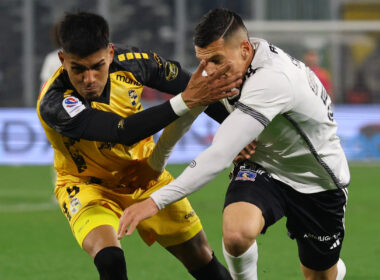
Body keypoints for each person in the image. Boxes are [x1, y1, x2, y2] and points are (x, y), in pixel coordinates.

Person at [118, 8, 350, 280]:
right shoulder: (228, 65)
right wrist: (155, 165)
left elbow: (218, 154)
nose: (210, 71)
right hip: (264, 165)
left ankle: (334, 271)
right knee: (237, 235)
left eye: (216, 60)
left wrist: (154, 202)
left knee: (320, 275)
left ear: (243, 49)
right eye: (204, 62)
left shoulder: (273, 79)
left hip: (317, 181)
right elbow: (187, 114)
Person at [37, 11, 244, 280]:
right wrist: (184, 101)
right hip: (87, 185)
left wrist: (240, 133)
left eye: (97, 66)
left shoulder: (133, 62)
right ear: (63, 60)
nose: (89, 79)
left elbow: (197, 88)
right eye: (78, 69)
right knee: (110, 258)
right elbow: (120, 132)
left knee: (201, 257)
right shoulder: (54, 101)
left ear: (110, 53)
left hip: (144, 174)